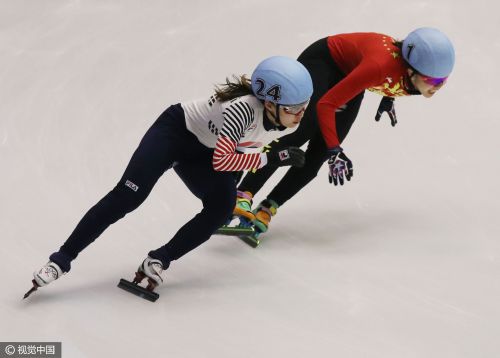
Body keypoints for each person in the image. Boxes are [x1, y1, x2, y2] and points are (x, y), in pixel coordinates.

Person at [25, 56, 313, 297]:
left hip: (204, 153)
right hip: (175, 134)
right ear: (269, 103)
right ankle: (61, 260)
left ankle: (158, 260)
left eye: (304, 107)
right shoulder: (243, 109)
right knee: (128, 196)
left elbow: (235, 156)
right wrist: (271, 158)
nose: (300, 116)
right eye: (294, 109)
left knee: (221, 208)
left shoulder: (281, 119)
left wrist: (228, 191)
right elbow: (224, 159)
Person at [233, 27, 455, 234]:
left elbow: (395, 79)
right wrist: (335, 150)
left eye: (443, 81)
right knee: (302, 130)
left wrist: (388, 97)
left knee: (316, 157)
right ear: (410, 70)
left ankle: (269, 206)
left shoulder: (411, 76)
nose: (437, 86)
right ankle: (244, 193)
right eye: (433, 79)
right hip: (324, 62)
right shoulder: (379, 67)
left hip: (354, 74)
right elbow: (326, 104)